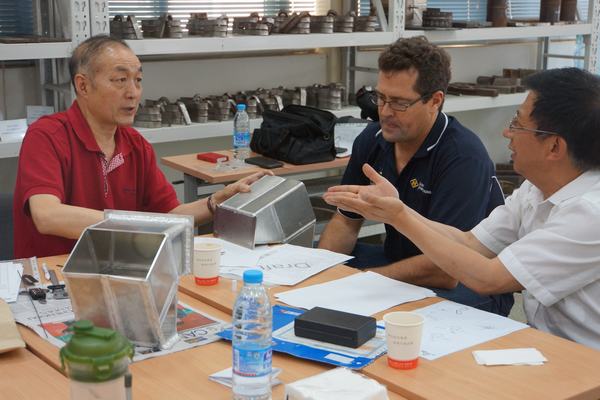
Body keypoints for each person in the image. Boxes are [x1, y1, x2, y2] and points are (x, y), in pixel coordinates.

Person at [323, 67, 600, 349]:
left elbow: (489, 278)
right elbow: (470, 242)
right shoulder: (536, 188)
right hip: (546, 342)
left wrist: (399, 217)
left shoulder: (589, 213)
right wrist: (395, 210)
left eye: (517, 123)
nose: (507, 132)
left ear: (554, 147)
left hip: (583, 357)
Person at [13, 35, 269, 259]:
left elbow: (170, 214)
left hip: (119, 268)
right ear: (83, 85)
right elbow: (47, 215)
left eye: (138, 80)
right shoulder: (47, 136)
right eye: (120, 80)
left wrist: (215, 202)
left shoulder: (135, 145)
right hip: (51, 278)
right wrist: (136, 225)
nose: (133, 92)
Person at [318, 36, 512, 315]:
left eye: (399, 103)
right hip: (400, 260)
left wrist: (362, 283)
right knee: (324, 263)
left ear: (435, 101)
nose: (385, 112)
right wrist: (321, 277)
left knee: (376, 311)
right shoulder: (372, 139)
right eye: (380, 98)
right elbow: (345, 222)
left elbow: (445, 271)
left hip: (465, 282)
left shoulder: (463, 157)